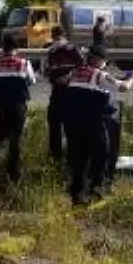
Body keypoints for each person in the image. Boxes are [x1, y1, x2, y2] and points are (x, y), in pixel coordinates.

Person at [63, 44, 133, 206]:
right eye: (104, 60)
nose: (105, 64)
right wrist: (131, 78)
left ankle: (77, 196)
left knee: (79, 160)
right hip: (93, 123)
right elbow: (124, 88)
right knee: (101, 157)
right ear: (99, 59)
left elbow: (63, 82)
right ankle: (97, 193)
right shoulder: (99, 75)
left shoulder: (75, 72)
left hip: (73, 124)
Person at [0, 32, 36, 183]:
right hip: (17, 104)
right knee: (16, 137)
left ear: (3, 47)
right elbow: (32, 81)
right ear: (17, 47)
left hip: (0, 103)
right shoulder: (24, 63)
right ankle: (13, 172)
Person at [45, 25, 83, 164]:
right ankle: (59, 159)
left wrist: (66, 78)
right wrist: (55, 77)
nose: (57, 40)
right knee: (58, 126)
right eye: (56, 38)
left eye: (58, 38)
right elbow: (51, 72)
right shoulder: (54, 51)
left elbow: (82, 68)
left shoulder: (69, 49)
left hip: (67, 93)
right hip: (62, 93)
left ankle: (66, 158)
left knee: (65, 127)